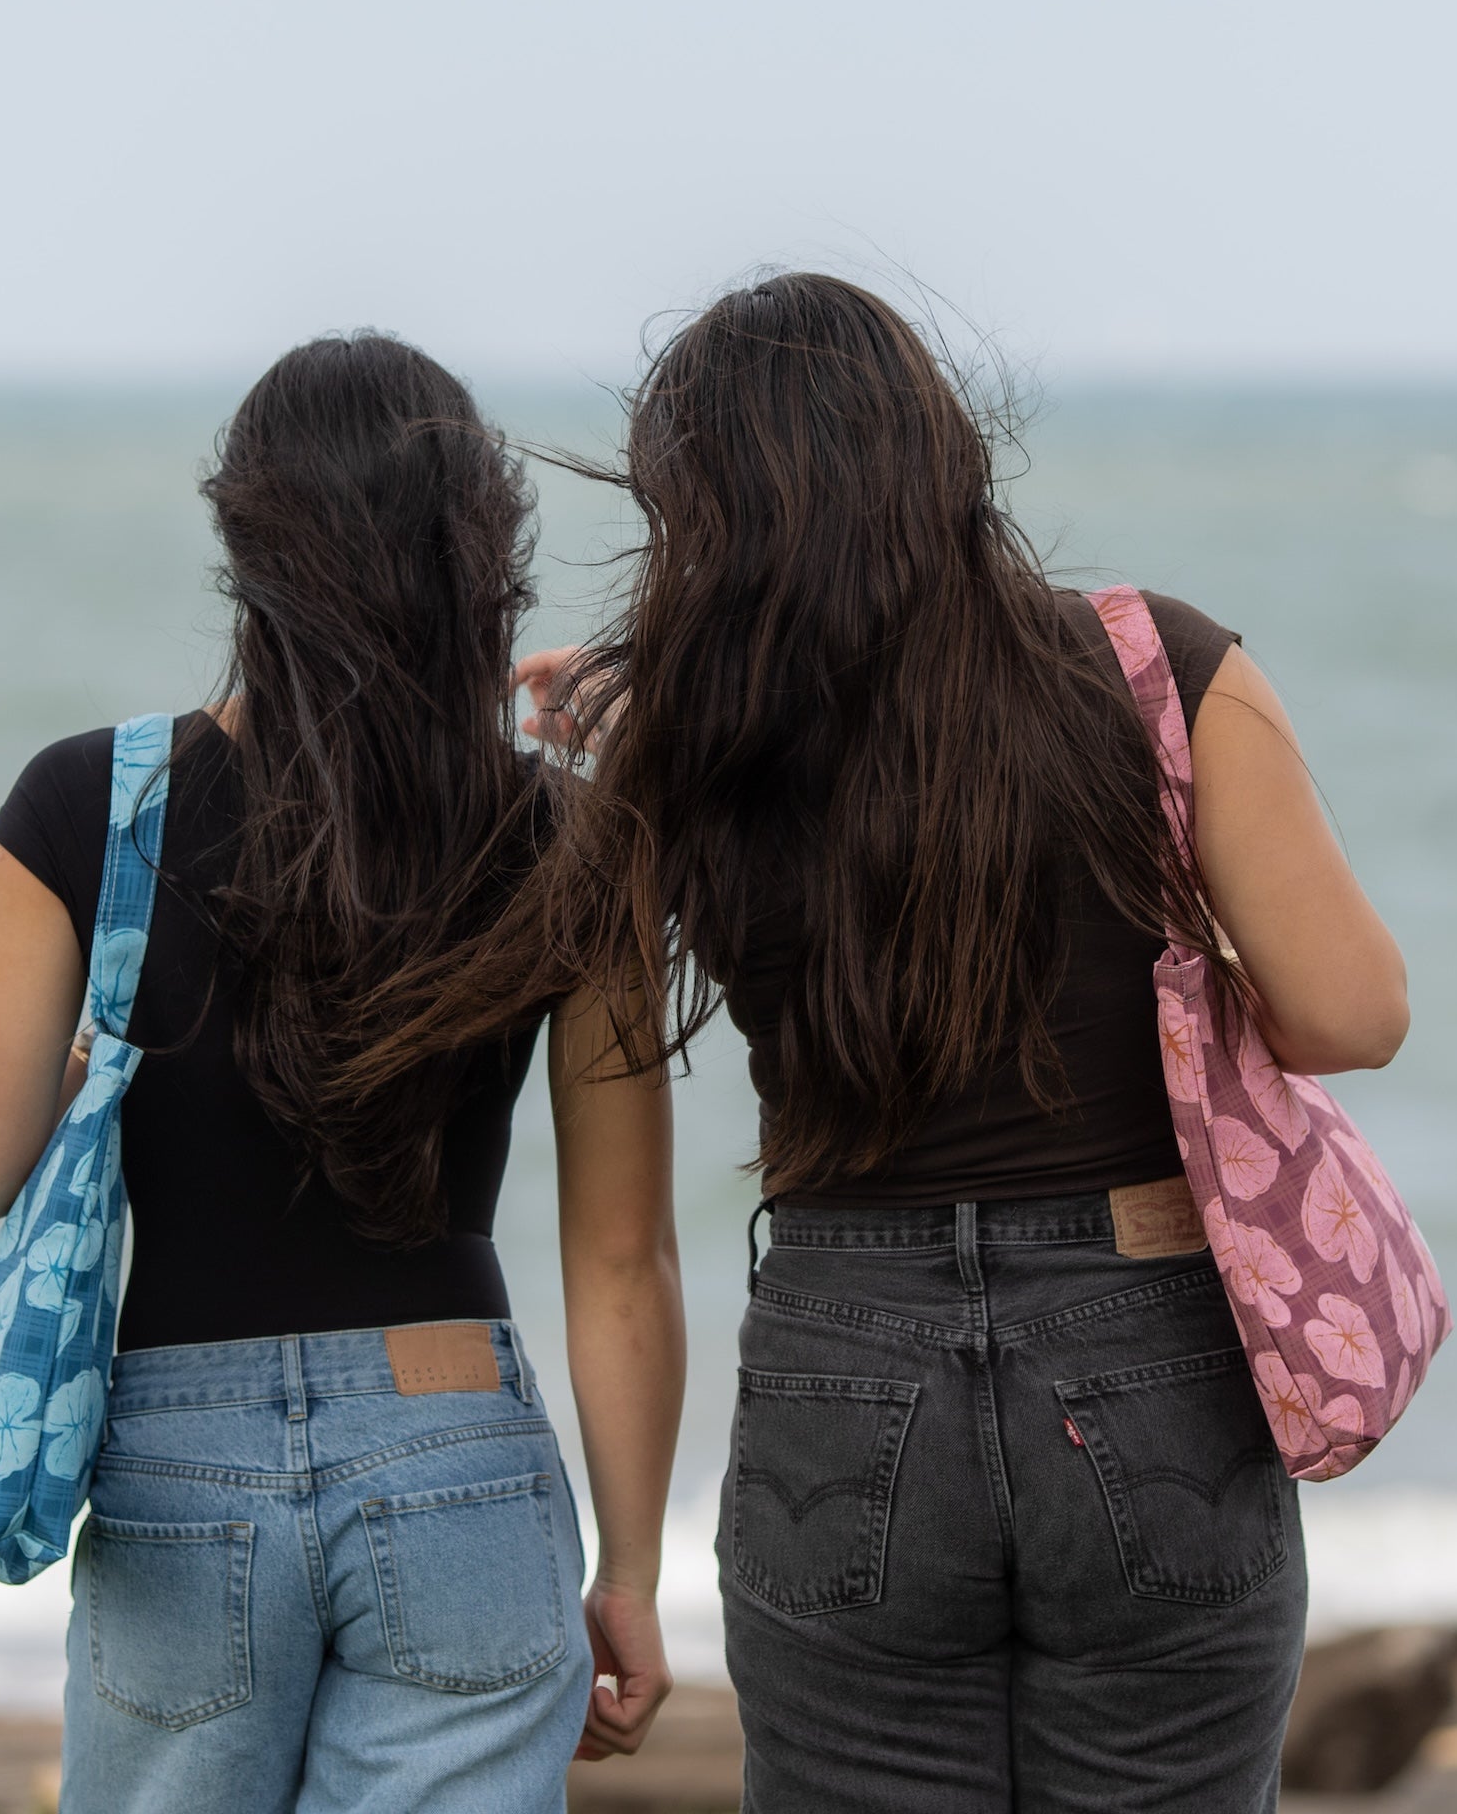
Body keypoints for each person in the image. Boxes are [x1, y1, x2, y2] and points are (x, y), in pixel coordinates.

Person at [499, 275, 1410, 1810]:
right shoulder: (1159, 667)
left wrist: (629, 1565)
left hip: (841, 1363)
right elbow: (1354, 1013)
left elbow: (616, 1236)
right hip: (1147, 1345)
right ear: (939, 447)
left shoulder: (680, 751)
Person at [0, 334, 683, 1813]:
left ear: (246, 549)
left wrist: (89, 1060)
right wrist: (633, 1572)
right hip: (458, 1446)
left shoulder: (89, 805)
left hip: (176, 1472)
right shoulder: (575, 836)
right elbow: (622, 1255)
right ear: (481, 557)